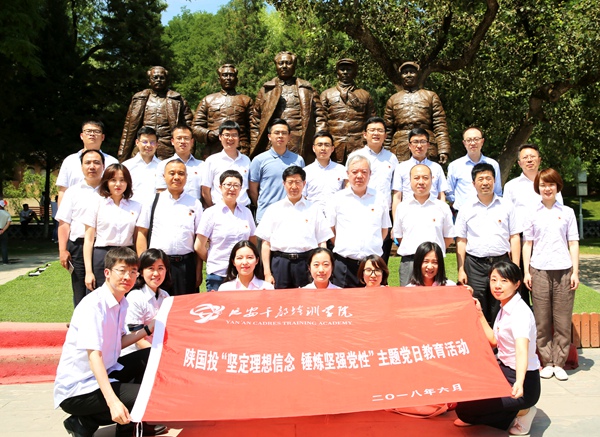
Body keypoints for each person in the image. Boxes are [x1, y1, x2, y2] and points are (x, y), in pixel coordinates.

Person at [54, 247, 167, 437]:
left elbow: (118, 342)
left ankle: (86, 422)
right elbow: (94, 357)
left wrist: (148, 328)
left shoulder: (121, 302)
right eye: (121, 271)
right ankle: (122, 424)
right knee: (145, 395)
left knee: (151, 356)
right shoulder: (94, 305)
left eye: (133, 271)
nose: (127, 277)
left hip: (107, 370)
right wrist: (113, 402)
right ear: (107, 273)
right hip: (79, 388)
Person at [455, 261, 540, 436]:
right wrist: (479, 313)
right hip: (503, 372)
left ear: (517, 284)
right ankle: (506, 412)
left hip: (523, 382)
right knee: (464, 398)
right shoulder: (504, 307)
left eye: (504, 281)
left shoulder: (520, 313)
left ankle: (523, 411)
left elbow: (521, 350)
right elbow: (494, 341)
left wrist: (519, 382)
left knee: (465, 411)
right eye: (493, 280)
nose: (497, 286)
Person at [522, 168, 579, 381]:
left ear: (557, 187)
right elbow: (528, 244)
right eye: (543, 185)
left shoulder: (567, 212)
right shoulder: (532, 213)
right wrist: (526, 271)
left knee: (563, 320)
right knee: (542, 320)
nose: (547, 188)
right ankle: (547, 361)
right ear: (538, 188)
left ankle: (559, 362)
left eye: (551, 184)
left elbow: (573, 242)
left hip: (564, 270)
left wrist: (575, 272)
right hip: (539, 270)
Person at [456, 163, 521, 324]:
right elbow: (461, 240)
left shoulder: (507, 206)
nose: (485, 182)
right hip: (475, 265)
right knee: (477, 305)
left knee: (501, 304)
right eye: (481, 179)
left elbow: (514, 237)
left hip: (501, 262)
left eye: (488, 178)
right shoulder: (466, 208)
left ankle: (500, 339)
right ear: (474, 183)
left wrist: (515, 266)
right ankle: (481, 339)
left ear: (494, 181)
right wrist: (461, 269)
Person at [256, 166, 333, 289]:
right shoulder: (273, 209)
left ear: (304, 183)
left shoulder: (314, 209)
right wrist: (267, 273)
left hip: (306, 263)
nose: (294, 186)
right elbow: (265, 243)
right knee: (280, 299)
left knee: (307, 298)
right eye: (290, 182)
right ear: (284, 183)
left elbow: (322, 241)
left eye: (297, 182)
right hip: (280, 263)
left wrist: (321, 267)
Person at [137, 159, 203, 295]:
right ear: (164, 176)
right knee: (158, 304)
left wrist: (198, 271)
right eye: (172, 173)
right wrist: (143, 265)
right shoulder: (152, 201)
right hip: (158, 265)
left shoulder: (195, 203)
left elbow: (199, 239)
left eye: (181, 173)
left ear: (186, 177)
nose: (176, 177)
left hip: (185, 266)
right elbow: (142, 233)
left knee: (185, 304)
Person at [249, 51, 327, 163]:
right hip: (273, 142)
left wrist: (319, 141)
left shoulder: (307, 89)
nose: (284, 66)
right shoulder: (266, 90)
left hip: (300, 142)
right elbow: (255, 121)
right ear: (276, 65)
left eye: (288, 63)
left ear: (294, 65)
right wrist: (254, 145)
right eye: (281, 63)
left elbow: (320, 117)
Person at [328, 154, 391, 288]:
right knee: (343, 301)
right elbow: (331, 230)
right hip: (345, 265)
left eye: (364, 172)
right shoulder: (337, 199)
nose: (359, 176)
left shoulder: (380, 198)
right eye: (354, 172)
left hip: (372, 267)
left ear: (370, 174)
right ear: (347, 174)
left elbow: (384, 230)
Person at [82, 164, 142, 291]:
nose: (118, 184)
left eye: (122, 180)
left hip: (127, 255)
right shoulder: (95, 204)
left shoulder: (136, 206)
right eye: (113, 180)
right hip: (103, 256)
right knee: (101, 296)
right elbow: (88, 239)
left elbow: (138, 238)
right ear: (106, 182)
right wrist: (88, 272)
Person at [56, 150, 104, 307]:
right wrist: (63, 250)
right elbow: (64, 223)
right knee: (80, 289)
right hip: (78, 246)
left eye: (96, 162)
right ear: (81, 166)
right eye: (87, 163)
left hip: (102, 246)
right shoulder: (72, 192)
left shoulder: (109, 191)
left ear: (103, 166)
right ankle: (80, 320)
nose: (92, 166)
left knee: (103, 289)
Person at [392, 164, 454, 286]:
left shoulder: (442, 207)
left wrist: (432, 255)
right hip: (409, 262)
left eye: (425, 178)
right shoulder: (402, 207)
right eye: (416, 178)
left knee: (435, 296)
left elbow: (448, 237)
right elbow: (399, 236)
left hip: (434, 264)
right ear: (410, 180)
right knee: (407, 297)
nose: (421, 182)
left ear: (432, 180)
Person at [195, 170, 256, 292]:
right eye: (228, 185)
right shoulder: (211, 213)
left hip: (242, 274)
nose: (232, 189)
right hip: (218, 274)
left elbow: (252, 241)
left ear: (241, 188)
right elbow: (199, 246)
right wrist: (213, 260)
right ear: (220, 187)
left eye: (236, 185)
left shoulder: (246, 212)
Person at [347, 117, 398, 263]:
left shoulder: (392, 158)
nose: (376, 133)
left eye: (380, 130)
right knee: (358, 255)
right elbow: (348, 184)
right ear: (365, 134)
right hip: (360, 209)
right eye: (372, 130)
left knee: (381, 260)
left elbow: (396, 191)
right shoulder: (355, 156)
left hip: (383, 212)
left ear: (385, 135)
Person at [119, 66, 193, 161]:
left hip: (168, 148)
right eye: (155, 77)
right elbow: (128, 128)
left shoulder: (178, 100)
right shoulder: (139, 99)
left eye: (162, 78)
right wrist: (122, 153)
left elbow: (189, 127)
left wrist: (189, 152)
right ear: (149, 80)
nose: (158, 80)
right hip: (143, 147)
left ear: (167, 80)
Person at [383, 62, 451, 163]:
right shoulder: (393, 99)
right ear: (401, 76)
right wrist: (385, 153)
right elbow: (387, 130)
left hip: (426, 145)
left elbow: (440, 125)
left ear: (418, 75)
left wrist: (443, 150)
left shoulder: (431, 96)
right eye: (405, 73)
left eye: (412, 72)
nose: (408, 75)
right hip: (400, 146)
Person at [249, 119, 305, 223]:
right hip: (266, 217)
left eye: (284, 133)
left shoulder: (298, 160)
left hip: (292, 216)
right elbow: (252, 190)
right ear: (269, 136)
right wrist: (262, 205)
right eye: (277, 133)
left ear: (289, 136)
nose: (280, 136)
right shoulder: (259, 160)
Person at [320, 58, 376, 162]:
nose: (345, 72)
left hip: (359, 144)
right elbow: (321, 121)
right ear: (337, 73)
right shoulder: (326, 94)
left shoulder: (365, 95)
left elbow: (372, 122)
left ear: (355, 73)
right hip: (334, 145)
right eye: (342, 69)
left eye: (349, 69)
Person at [192, 64, 253, 156]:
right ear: (219, 79)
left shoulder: (246, 100)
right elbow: (195, 127)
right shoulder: (208, 100)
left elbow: (254, 128)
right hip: (214, 150)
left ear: (236, 79)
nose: (228, 78)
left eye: (231, 75)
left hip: (241, 150)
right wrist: (209, 134)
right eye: (224, 75)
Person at [121, 248, 171, 357]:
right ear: (141, 272)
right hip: (136, 355)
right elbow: (138, 339)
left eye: (160, 268)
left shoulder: (165, 296)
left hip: (157, 351)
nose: (156, 273)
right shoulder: (135, 297)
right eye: (151, 268)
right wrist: (160, 356)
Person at [56, 120, 118, 205]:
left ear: (103, 137)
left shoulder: (112, 162)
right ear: (81, 136)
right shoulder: (69, 161)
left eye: (96, 131)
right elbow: (63, 191)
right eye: (88, 131)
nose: (92, 134)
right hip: (76, 210)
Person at [391, 128, 448, 216]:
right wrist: (396, 222)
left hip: (433, 214)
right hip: (408, 214)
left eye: (423, 142)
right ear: (409, 145)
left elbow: (441, 195)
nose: (419, 145)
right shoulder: (401, 168)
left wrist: (443, 216)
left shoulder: (436, 168)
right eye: (415, 142)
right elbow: (397, 197)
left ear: (428, 145)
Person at [446, 126, 502, 213]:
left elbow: (497, 191)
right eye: (469, 140)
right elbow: (449, 192)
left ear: (482, 141)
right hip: (462, 213)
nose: (472, 143)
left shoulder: (493, 164)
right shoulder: (455, 166)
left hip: (488, 212)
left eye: (476, 139)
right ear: (464, 143)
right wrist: (458, 205)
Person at [200, 121, 251, 208]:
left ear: (239, 138)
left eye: (234, 135)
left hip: (243, 209)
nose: (230, 138)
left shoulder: (246, 160)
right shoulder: (211, 161)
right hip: (219, 208)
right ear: (220, 137)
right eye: (227, 135)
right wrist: (214, 209)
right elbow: (205, 190)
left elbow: (249, 188)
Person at [302, 131, 347, 216]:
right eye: (319, 145)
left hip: (336, 216)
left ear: (332, 148)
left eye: (327, 145)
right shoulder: (306, 172)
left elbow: (347, 194)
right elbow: (302, 196)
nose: (323, 148)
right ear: (314, 148)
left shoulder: (341, 170)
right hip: (312, 216)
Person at [155, 124, 203, 201]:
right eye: (179, 138)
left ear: (192, 142)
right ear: (172, 141)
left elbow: (205, 192)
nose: (182, 141)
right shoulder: (163, 165)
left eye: (186, 138)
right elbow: (161, 190)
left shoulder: (202, 165)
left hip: (195, 207)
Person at [123, 126, 161, 207]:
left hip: (155, 210)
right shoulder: (127, 166)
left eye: (152, 142)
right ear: (137, 142)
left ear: (157, 144)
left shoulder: (162, 167)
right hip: (131, 209)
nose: (148, 145)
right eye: (144, 142)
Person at [0, 200, 11, 264]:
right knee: (4, 246)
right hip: (2, 230)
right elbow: (8, 223)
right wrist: (3, 230)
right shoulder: (7, 213)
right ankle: (5, 261)